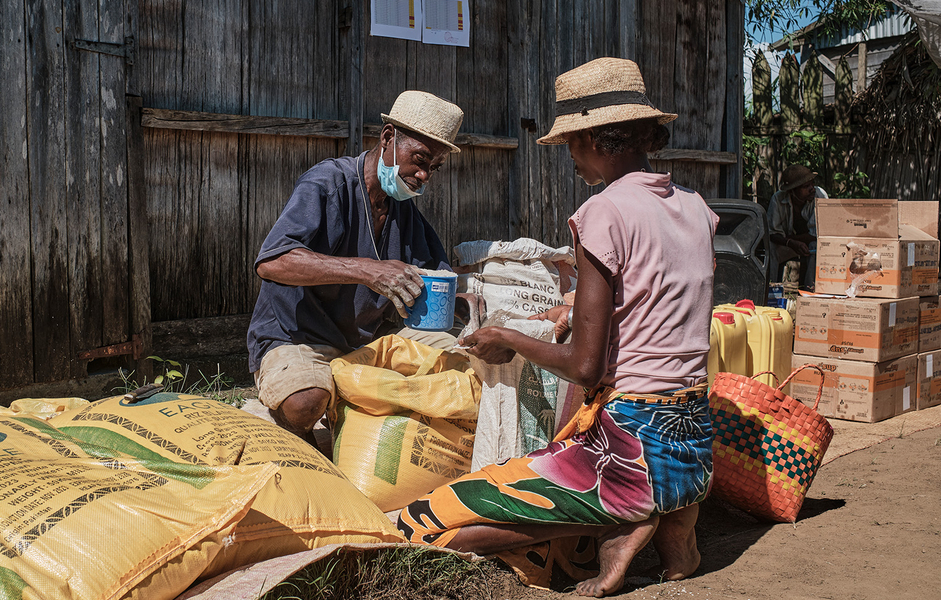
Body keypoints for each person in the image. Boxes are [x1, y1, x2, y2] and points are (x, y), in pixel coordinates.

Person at [397, 58, 716, 597]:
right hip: (694, 444)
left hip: (629, 447)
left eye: (570, 141)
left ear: (593, 137)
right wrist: (573, 311)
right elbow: (656, 303)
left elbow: (585, 367)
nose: (569, 154)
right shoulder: (696, 207)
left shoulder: (604, 212)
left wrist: (506, 338)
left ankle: (620, 518)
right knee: (590, 474)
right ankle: (670, 520)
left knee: (427, 522)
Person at [247, 91, 464, 442]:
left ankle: (348, 410)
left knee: (457, 361)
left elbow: (435, 278)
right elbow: (273, 262)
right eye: (420, 159)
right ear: (388, 137)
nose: (424, 175)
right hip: (297, 337)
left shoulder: (403, 210)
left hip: (367, 345)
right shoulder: (329, 183)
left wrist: (471, 300)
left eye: (433, 168)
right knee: (306, 402)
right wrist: (367, 270)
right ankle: (291, 416)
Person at [767, 164, 828, 288]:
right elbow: (772, 233)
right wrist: (790, 243)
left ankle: (811, 289)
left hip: (810, 244)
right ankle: (771, 289)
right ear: (792, 190)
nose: (812, 189)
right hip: (788, 244)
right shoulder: (778, 199)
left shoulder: (819, 195)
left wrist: (792, 240)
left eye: (812, 184)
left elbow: (817, 234)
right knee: (772, 248)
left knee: (817, 246)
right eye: (806, 186)